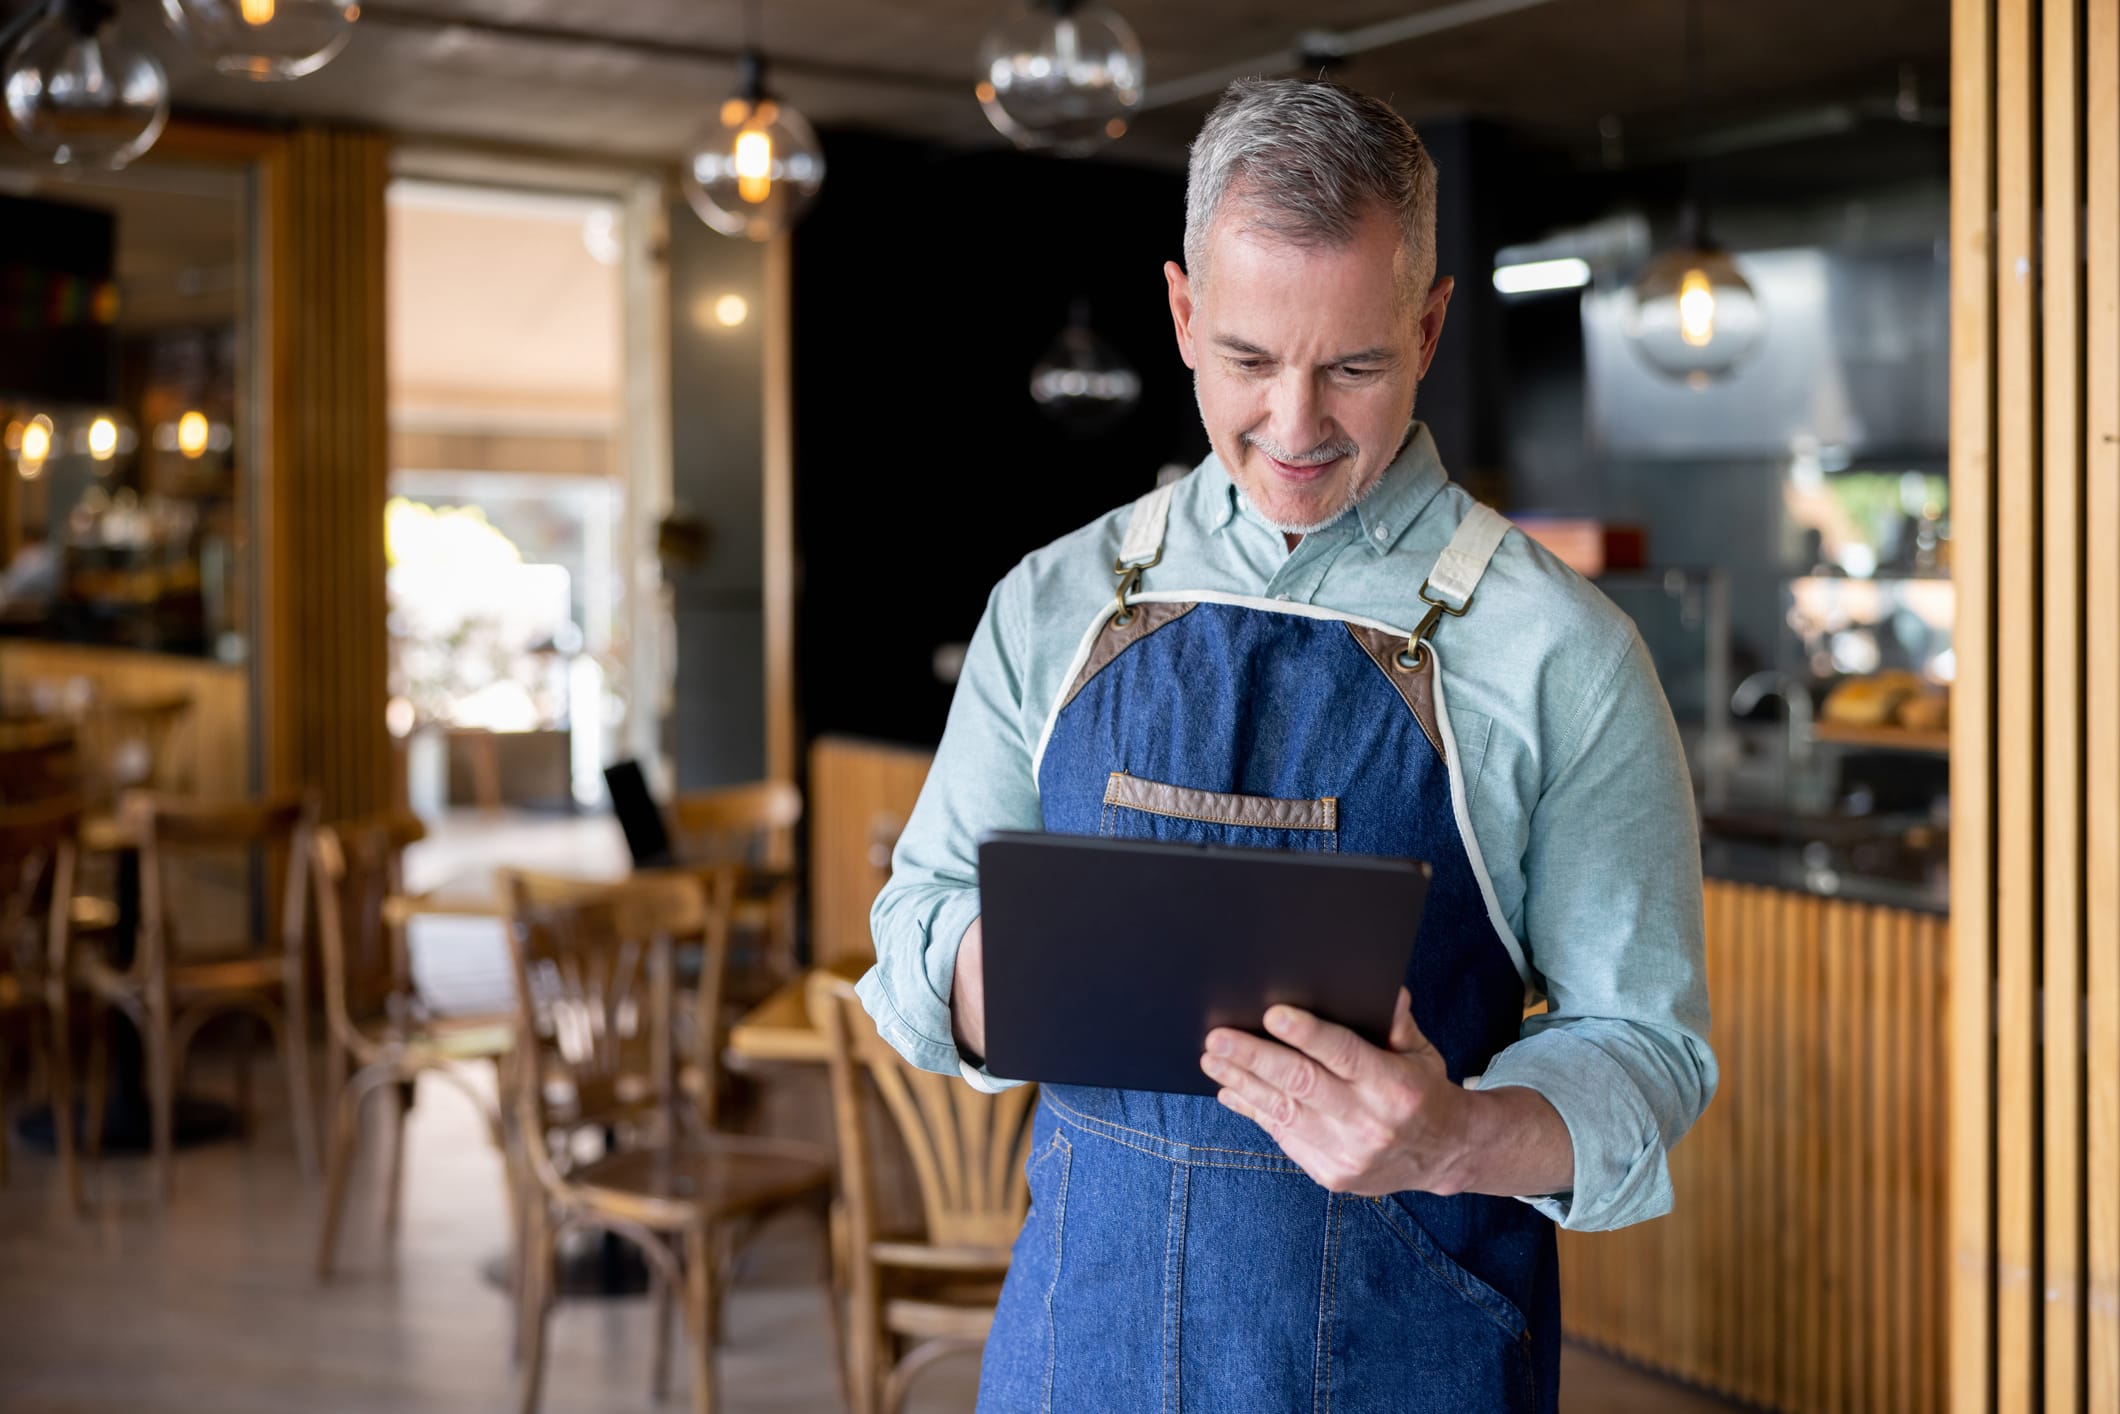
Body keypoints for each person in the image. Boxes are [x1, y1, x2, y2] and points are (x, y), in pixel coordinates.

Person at [858, 77, 1715, 1414]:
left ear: (1430, 329)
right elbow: (912, 927)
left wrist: (1451, 1135)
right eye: (1250, 362)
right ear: (1184, 315)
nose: (1297, 427)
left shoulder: (1560, 653)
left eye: (1355, 366)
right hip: (1080, 1347)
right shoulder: (1052, 601)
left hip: (1407, 1357)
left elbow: (1647, 1050)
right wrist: (1017, 961)